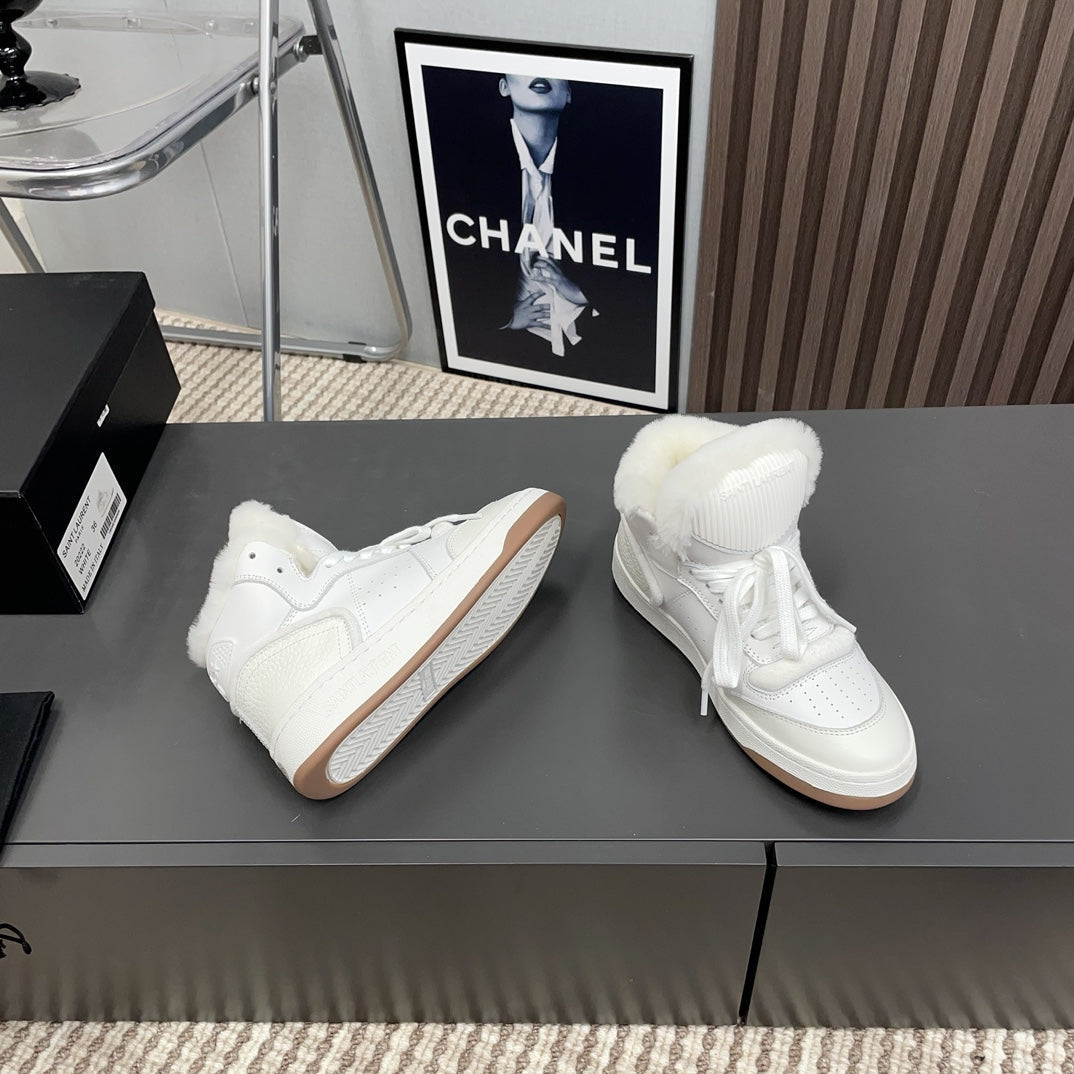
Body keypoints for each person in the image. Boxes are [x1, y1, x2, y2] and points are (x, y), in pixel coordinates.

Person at [423, 66, 663, 394]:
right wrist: (503, 319)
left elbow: (640, 265)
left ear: (569, 93)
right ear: (504, 86)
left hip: (595, 343)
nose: (540, 73)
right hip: (501, 351)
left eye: (555, 72)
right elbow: (452, 258)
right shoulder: (469, 166)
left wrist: (583, 291)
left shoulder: (604, 172)